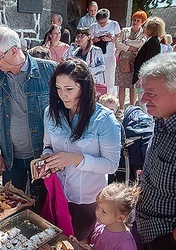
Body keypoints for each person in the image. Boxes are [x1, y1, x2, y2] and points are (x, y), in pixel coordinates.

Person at [41, 58, 121, 241]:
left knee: (80, 242)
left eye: (69, 89)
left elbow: (111, 165)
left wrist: (76, 159)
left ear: (84, 88)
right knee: (57, 241)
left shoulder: (104, 120)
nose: (63, 95)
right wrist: (47, 160)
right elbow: (47, 146)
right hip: (58, 193)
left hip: (88, 198)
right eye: (58, 89)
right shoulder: (50, 112)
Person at [0, 26, 57, 193]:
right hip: (11, 159)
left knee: (42, 209)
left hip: (44, 157)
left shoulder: (51, 71)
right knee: (12, 205)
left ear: (14, 51)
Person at [132, 52, 176, 250]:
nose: (144, 100)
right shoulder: (163, 119)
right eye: (144, 92)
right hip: (146, 230)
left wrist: (172, 242)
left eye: (152, 93)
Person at [70, 183, 139, 250]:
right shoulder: (100, 224)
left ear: (120, 218)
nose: (97, 212)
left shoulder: (126, 244)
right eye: (98, 206)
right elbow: (88, 240)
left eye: (104, 211)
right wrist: (77, 244)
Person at [115, 10, 147, 112]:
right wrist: (131, 48)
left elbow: (141, 44)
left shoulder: (144, 33)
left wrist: (128, 43)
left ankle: (132, 108)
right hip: (123, 60)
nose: (135, 22)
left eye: (138, 20)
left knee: (133, 86)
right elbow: (117, 44)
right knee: (122, 85)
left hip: (135, 61)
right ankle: (121, 108)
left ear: (142, 22)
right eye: (134, 20)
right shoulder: (125, 31)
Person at [132, 16, 165, 108]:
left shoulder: (153, 42)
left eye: (146, 26)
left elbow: (148, 62)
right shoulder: (151, 41)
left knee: (144, 103)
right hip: (142, 77)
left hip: (144, 78)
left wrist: (141, 78)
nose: (144, 28)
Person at [90, 8, 121, 96]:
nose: (102, 25)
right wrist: (94, 40)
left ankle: (111, 97)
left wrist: (110, 39)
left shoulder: (114, 24)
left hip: (109, 54)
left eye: (104, 22)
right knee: (98, 77)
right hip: (98, 55)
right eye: (100, 23)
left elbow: (118, 37)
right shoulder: (93, 26)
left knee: (110, 77)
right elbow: (88, 39)